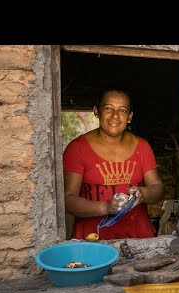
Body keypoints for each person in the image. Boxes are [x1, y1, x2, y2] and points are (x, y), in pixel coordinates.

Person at [63, 88, 165, 240]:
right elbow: (68, 199)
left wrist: (143, 194)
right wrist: (104, 207)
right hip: (93, 239)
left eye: (122, 110)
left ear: (129, 116)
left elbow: (158, 189)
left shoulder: (142, 147)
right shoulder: (77, 148)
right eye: (108, 108)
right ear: (96, 111)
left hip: (137, 237)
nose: (115, 116)